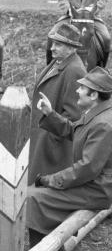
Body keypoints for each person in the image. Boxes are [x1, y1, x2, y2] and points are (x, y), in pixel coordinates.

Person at [26, 66, 112, 249]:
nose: (77, 91)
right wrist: (50, 114)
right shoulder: (98, 115)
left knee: (32, 198)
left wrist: (50, 180)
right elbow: (74, 131)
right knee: (34, 192)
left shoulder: (103, 124)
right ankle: (50, 247)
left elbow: (86, 168)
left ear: (94, 95)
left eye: (81, 88)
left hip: (96, 190)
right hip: (91, 183)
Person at [28, 23, 86, 185]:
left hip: (53, 145)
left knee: (41, 190)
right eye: (52, 43)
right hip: (42, 136)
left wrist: (50, 136)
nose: (52, 48)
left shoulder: (75, 70)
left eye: (58, 44)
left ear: (71, 48)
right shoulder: (58, 61)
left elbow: (74, 115)